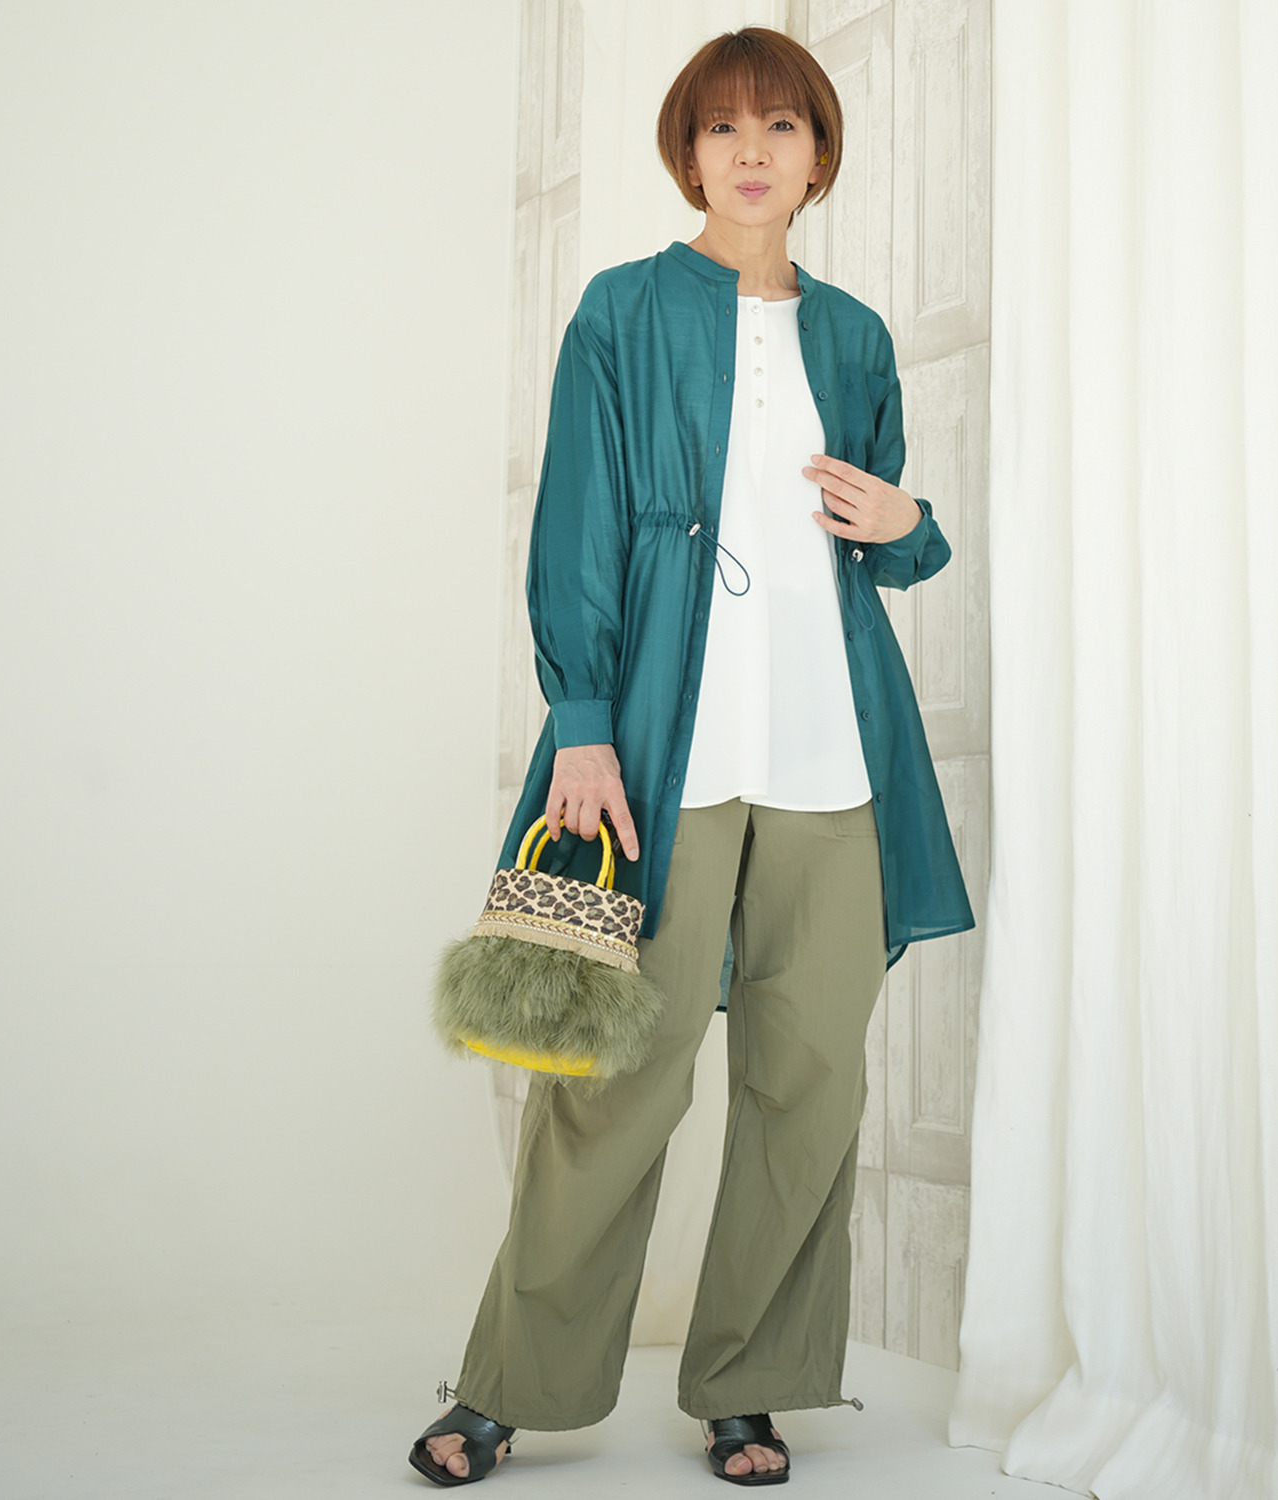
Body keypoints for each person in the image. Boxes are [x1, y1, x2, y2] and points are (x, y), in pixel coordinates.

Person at [409, 25, 973, 1489]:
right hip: (669, 753)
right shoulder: (623, 310)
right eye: (723, 127)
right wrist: (583, 722)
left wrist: (911, 528)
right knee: (613, 1081)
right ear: (688, 154)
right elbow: (576, 527)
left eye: (781, 126)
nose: (751, 151)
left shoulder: (855, 336)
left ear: (820, 156)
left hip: (833, 760)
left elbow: (890, 550)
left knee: (812, 1087)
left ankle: (749, 1387)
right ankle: (508, 1385)